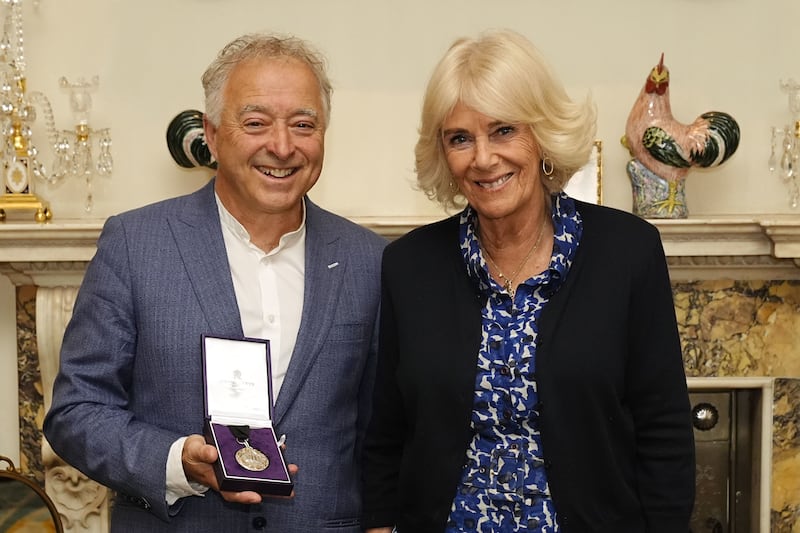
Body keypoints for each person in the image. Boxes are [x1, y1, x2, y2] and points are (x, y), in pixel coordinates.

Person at [43, 33, 386, 532]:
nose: (283, 146)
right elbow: (76, 411)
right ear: (212, 133)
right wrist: (176, 461)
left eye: (303, 124)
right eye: (255, 123)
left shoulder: (369, 260)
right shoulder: (136, 244)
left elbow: (385, 434)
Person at [361, 29, 695, 533]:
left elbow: (664, 429)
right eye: (459, 138)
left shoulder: (627, 252)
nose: (483, 158)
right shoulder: (409, 266)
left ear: (542, 135)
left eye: (503, 130)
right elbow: (386, 434)